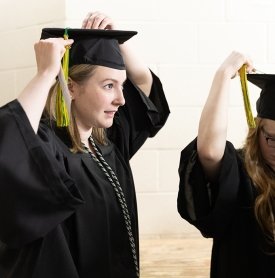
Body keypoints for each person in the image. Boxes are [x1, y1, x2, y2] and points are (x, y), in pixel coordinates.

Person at [0, 12, 170, 278]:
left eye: (121, 86)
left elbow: (146, 87)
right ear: (71, 88)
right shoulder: (48, 150)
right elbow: (9, 143)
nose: (121, 100)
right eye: (108, 86)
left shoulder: (109, 142)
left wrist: (118, 40)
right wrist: (46, 74)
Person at [177, 51, 275, 278]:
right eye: (272, 138)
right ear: (256, 129)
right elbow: (210, 152)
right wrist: (223, 75)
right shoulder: (242, 171)